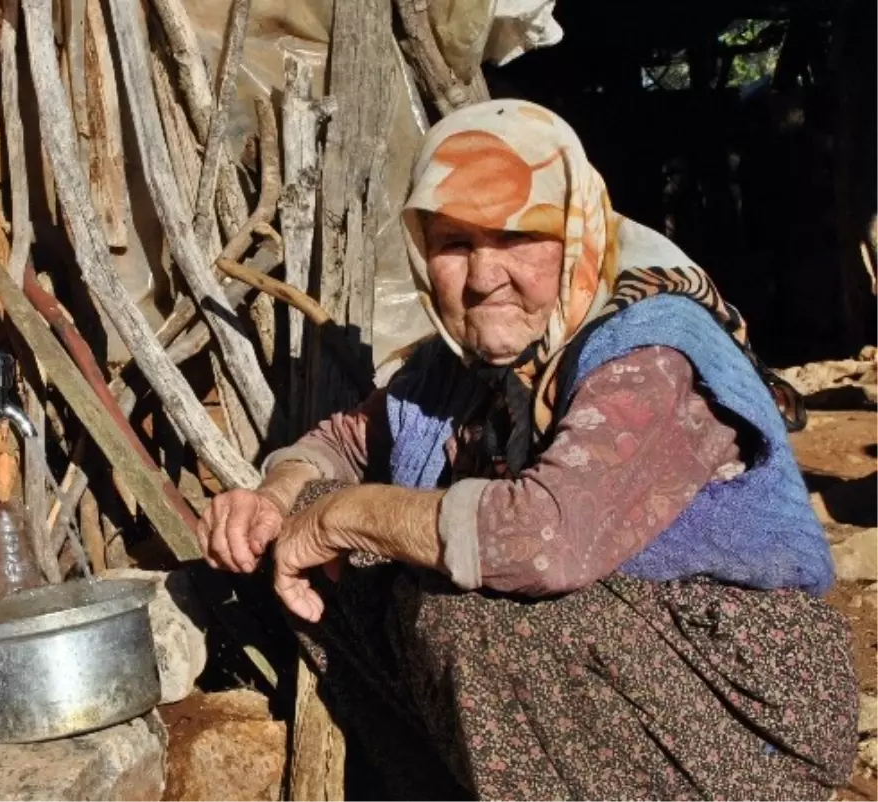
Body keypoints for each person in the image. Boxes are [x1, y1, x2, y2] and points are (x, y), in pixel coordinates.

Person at [196, 100, 858, 800]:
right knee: (326, 537)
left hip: (744, 700)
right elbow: (341, 444)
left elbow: (545, 539)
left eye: (518, 238)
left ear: (576, 234)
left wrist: (340, 518)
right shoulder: (454, 367)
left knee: (467, 605)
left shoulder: (652, 354)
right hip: (607, 667)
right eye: (454, 243)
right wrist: (276, 500)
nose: (483, 278)